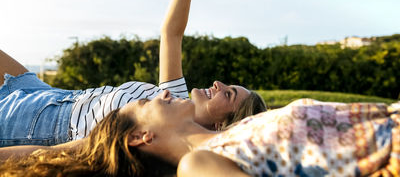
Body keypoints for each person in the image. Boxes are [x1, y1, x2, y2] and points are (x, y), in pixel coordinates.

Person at [0, 0, 266, 150]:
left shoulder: (164, 135)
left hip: (46, 126)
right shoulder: (173, 99)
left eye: (229, 94)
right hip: (52, 96)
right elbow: (171, 34)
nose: (218, 83)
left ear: (223, 126)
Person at [1, 90, 399, 176]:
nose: (159, 92)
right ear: (141, 137)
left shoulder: (238, 129)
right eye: (144, 105)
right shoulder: (198, 165)